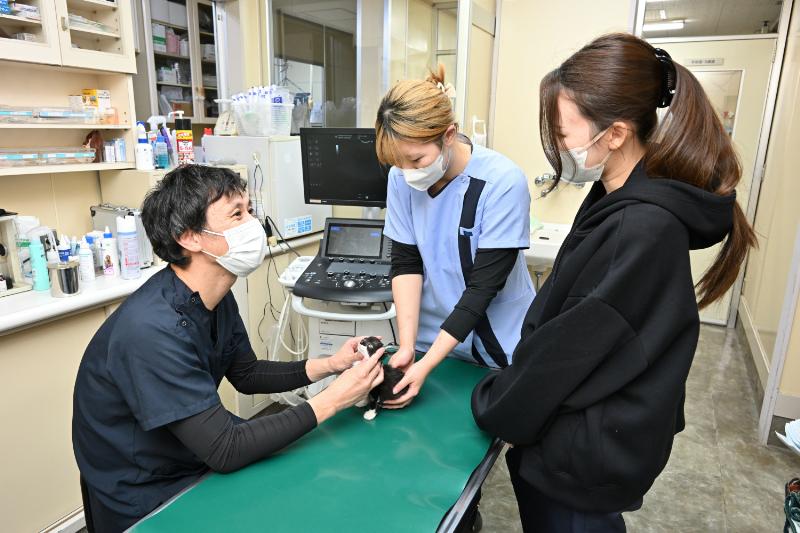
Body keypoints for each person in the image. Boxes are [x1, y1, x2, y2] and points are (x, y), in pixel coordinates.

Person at [471, 33, 757, 532]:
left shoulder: (639, 227)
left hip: (584, 456)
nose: (559, 144)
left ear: (616, 133)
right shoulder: (619, 199)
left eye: (563, 131)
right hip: (589, 438)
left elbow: (568, 350)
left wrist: (498, 402)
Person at [72, 165, 384, 532]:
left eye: (250, 210)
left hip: (190, 454)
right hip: (144, 486)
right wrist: (335, 398)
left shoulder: (214, 296)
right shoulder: (150, 330)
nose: (254, 224)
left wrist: (332, 364)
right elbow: (225, 449)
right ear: (190, 237)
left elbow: (246, 374)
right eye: (237, 214)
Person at [376, 65, 535, 410]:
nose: (408, 173)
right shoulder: (400, 178)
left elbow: (482, 288)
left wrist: (426, 366)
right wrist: (407, 346)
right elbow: (406, 264)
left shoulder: (502, 182)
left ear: (448, 135)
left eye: (416, 159)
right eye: (398, 163)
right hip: (431, 340)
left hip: (498, 344)